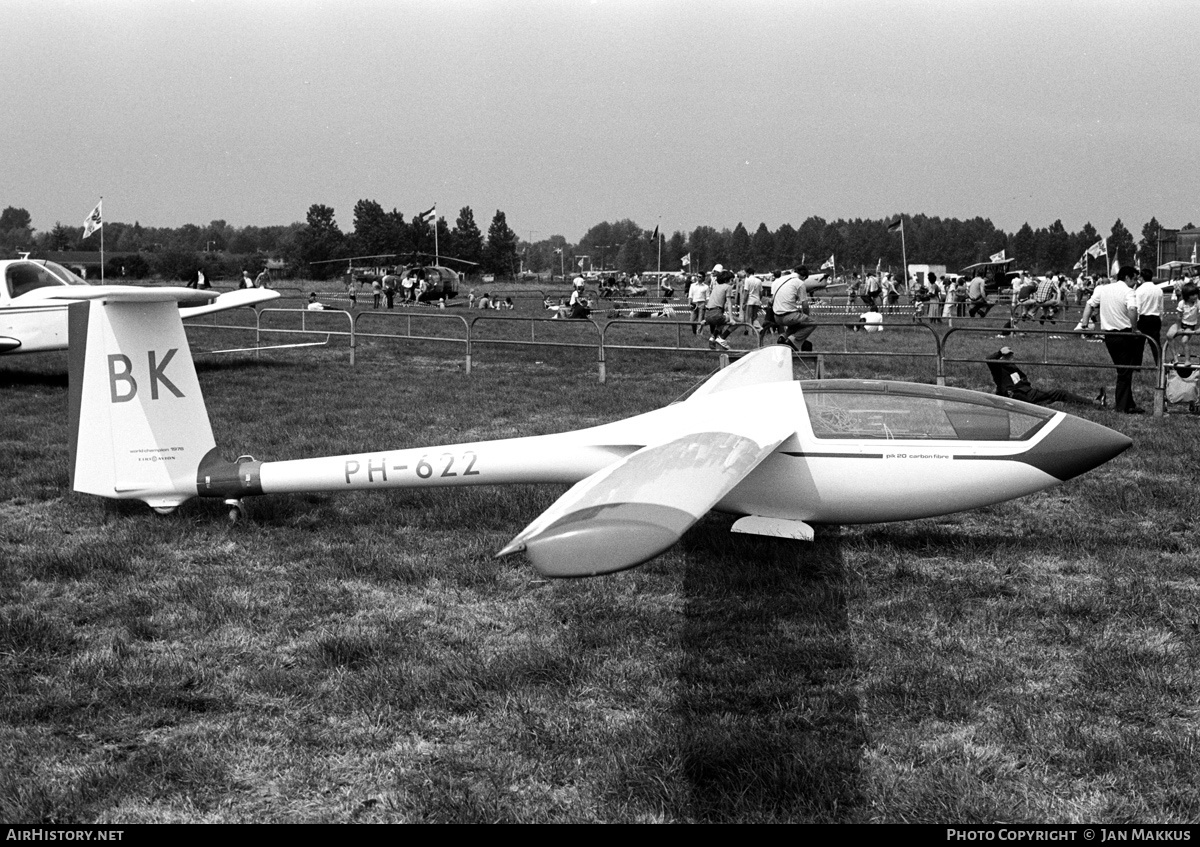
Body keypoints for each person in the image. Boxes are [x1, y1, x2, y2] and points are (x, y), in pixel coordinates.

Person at [1076, 265, 1145, 414]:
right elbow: (1132, 310)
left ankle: (1129, 403)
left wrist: (1085, 324)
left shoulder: (1103, 289)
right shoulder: (1129, 291)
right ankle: (1121, 406)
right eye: (1134, 279)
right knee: (1124, 372)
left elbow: (1089, 305)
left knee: (1124, 370)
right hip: (1125, 335)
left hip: (1109, 336)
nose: (1135, 283)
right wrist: (1135, 329)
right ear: (1127, 277)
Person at [986, 347, 1104, 408]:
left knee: (1059, 394)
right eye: (1007, 356)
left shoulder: (1012, 366)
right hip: (1018, 396)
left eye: (1010, 356)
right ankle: (1095, 403)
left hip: (1028, 393)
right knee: (1056, 395)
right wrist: (999, 352)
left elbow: (1022, 380)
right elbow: (988, 360)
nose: (1009, 358)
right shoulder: (998, 367)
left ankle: (1094, 403)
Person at [771, 265, 818, 352]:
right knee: (811, 323)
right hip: (788, 316)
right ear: (803, 276)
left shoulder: (781, 279)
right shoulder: (799, 282)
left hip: (777, 317)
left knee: (796, 323)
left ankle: (783, 337)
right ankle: (792, 341)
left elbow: (772, 300)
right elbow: (805, 305)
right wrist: (806, 316)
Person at [1134, 267, 1164, 366]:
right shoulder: (1158, 289)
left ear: (1141, 278)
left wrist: (1135, 322)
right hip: (1155, 318)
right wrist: (1160, 319)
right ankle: (1159, 364)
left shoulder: (1139, 290)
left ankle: (1136, 366)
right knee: (1156, 344)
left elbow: (1137, 307)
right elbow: (1161, 308)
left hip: (1143, 318)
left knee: (1138, 345)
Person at [703, 269, 735, 350]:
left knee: (722, 321)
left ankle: (712, 337)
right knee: (738, 321)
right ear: (726, 280)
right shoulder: (728, 287)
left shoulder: (716, 287)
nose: (733, 282)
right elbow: (729, 303)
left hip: (708, 315)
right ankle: (722, 338)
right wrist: (731, 319)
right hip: (716, 314)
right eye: (732, 280)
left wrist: (705, 319)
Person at [1170, 282, 1199, 363]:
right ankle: (1175, 357)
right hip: (1181, 323)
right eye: (1192, 295)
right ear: (1186, 296)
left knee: (1184, 340)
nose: (1195, 296)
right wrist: (1178, 328)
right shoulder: (1182, 303)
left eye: (1196, 294)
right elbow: (1178, 316)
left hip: (1190, 325)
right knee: (1169, 335)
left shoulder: (1198, 303)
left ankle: (1187, 360)